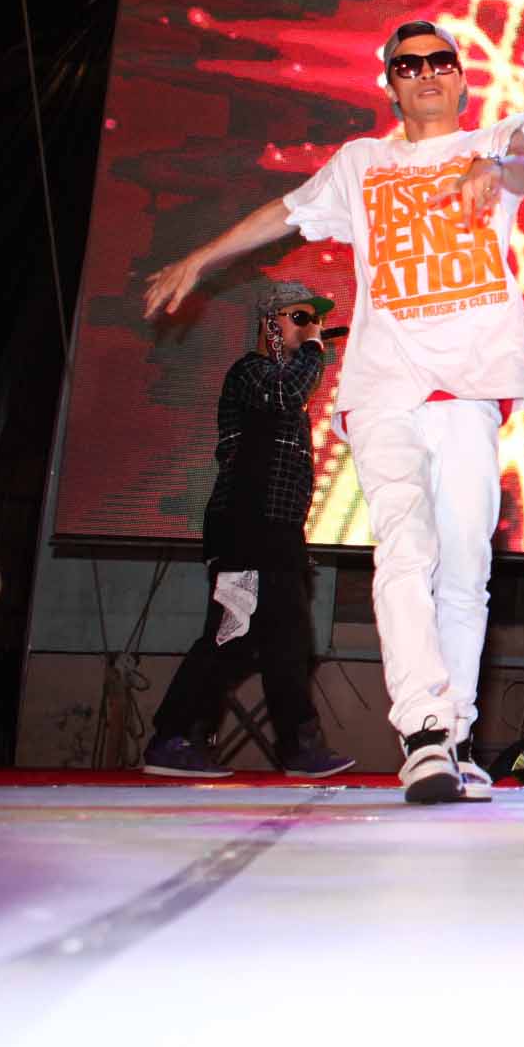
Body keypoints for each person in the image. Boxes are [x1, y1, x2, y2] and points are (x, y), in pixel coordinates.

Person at [145, 18, 524, 806]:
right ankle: (423, 733)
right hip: (383, 387)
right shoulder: (362, 163)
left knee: (466, 569)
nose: (425, 73)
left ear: (462, 77)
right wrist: (202, 255)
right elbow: (284, 213)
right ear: (390, 84)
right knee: (405, 547)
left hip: (469, 389)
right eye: (408, 65)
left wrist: (491, 167)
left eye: (439, 61)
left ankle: (457, 738)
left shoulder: (500, 135)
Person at [141, 279, 354, 780]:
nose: (311, 328)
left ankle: (298, 748)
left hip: (277, 535)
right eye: (299, 318)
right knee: (232, 633)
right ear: (269, 325)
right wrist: (314, 350)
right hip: (245, 530)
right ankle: (174, 738)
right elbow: (286, 391)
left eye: (315, 320)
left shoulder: (284, 389)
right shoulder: (251, 372)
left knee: (289, 642)